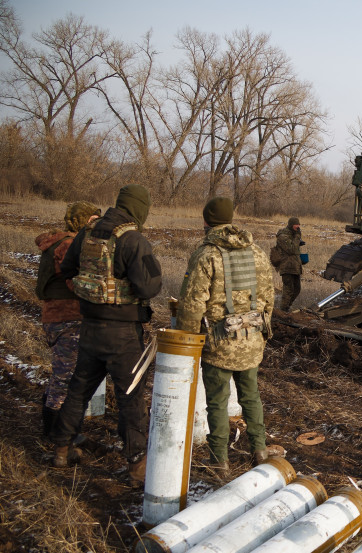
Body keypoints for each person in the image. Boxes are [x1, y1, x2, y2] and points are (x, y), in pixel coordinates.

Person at [49, 184, 162, 487]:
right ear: (140, 209)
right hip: (123, 333)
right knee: (131, 399)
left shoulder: (87, 233)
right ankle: (137, 465)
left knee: (79, 389)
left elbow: (68, 269)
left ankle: (61, 448)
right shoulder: (134, 239)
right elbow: (149, 287)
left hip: (89, 327)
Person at [176, 197, 276, 478]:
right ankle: (260, 450)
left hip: (219, 344)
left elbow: (192, 303)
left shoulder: (206, 254)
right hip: (252, 340)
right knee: (251, 397)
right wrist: (261, 334)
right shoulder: (256, 252)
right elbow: (268, 298)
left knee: (218, 403)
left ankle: (219, 462)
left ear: (207, 221)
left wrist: (188, 341)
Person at [35, 201, 101, 437]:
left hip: (56, 316)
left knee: (61, 372)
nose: (97, 224)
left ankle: (52, 426)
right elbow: (75, 282)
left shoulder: (59, 241)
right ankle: (56, 432)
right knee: (66, 377)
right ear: (84, 221)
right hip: (67, 317)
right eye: (93, 220)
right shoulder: (69, 245)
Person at [275, 216, 303, 311]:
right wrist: (297, 237)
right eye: (296, 225)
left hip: (294, 267)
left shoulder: (293, 235)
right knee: (288, 291)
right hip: (287, 267)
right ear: (291, 225)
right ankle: (283, 310)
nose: (298, 227)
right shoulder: (283, 236)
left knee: (297, 289)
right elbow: (291, 249)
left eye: (299, 225)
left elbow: (294, 249)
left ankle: (287, 307)